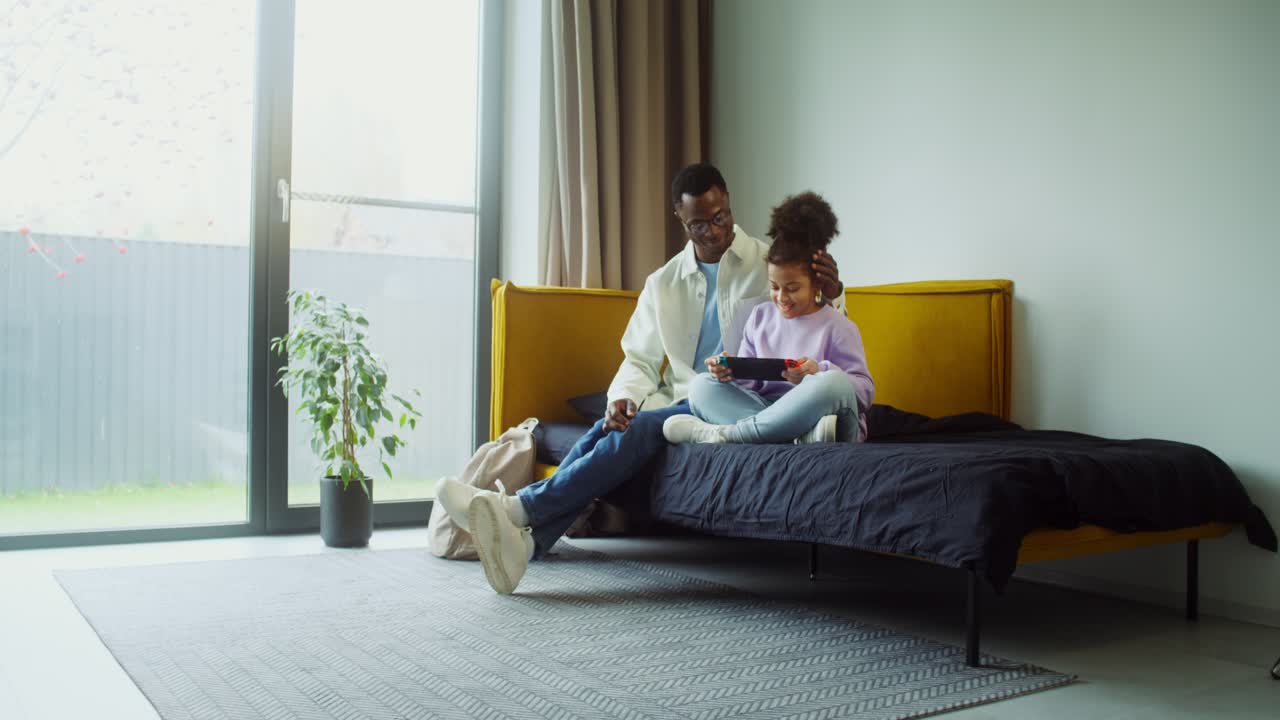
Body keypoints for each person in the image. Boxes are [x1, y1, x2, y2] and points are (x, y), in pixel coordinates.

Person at [433, 163, 847, 594]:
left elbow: (820, 335)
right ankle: (529, 541)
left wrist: (833, 293)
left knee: (644, 428)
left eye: (720, 216)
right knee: (610, 427)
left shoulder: (771, 264)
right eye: (698, 224)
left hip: (740, 403)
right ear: (680, 221)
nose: (713, 231)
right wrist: (622, 399)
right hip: (686, 399)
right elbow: (639, 360)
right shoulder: (663, 283)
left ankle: (519, 508)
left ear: (728, 202)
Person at [662, 192, 874, 447]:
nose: (782, 297)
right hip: (775, 414)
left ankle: (728, 434)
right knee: (701, 386)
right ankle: (794, 437)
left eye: (793, 288)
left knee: (833, 383)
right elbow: (749, 386)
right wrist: (729, 371)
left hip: (823, 416)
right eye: (775, 287)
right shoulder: (760, 317)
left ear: (816, 282)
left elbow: (864, 392)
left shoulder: (838, 326)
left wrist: (819, 371)